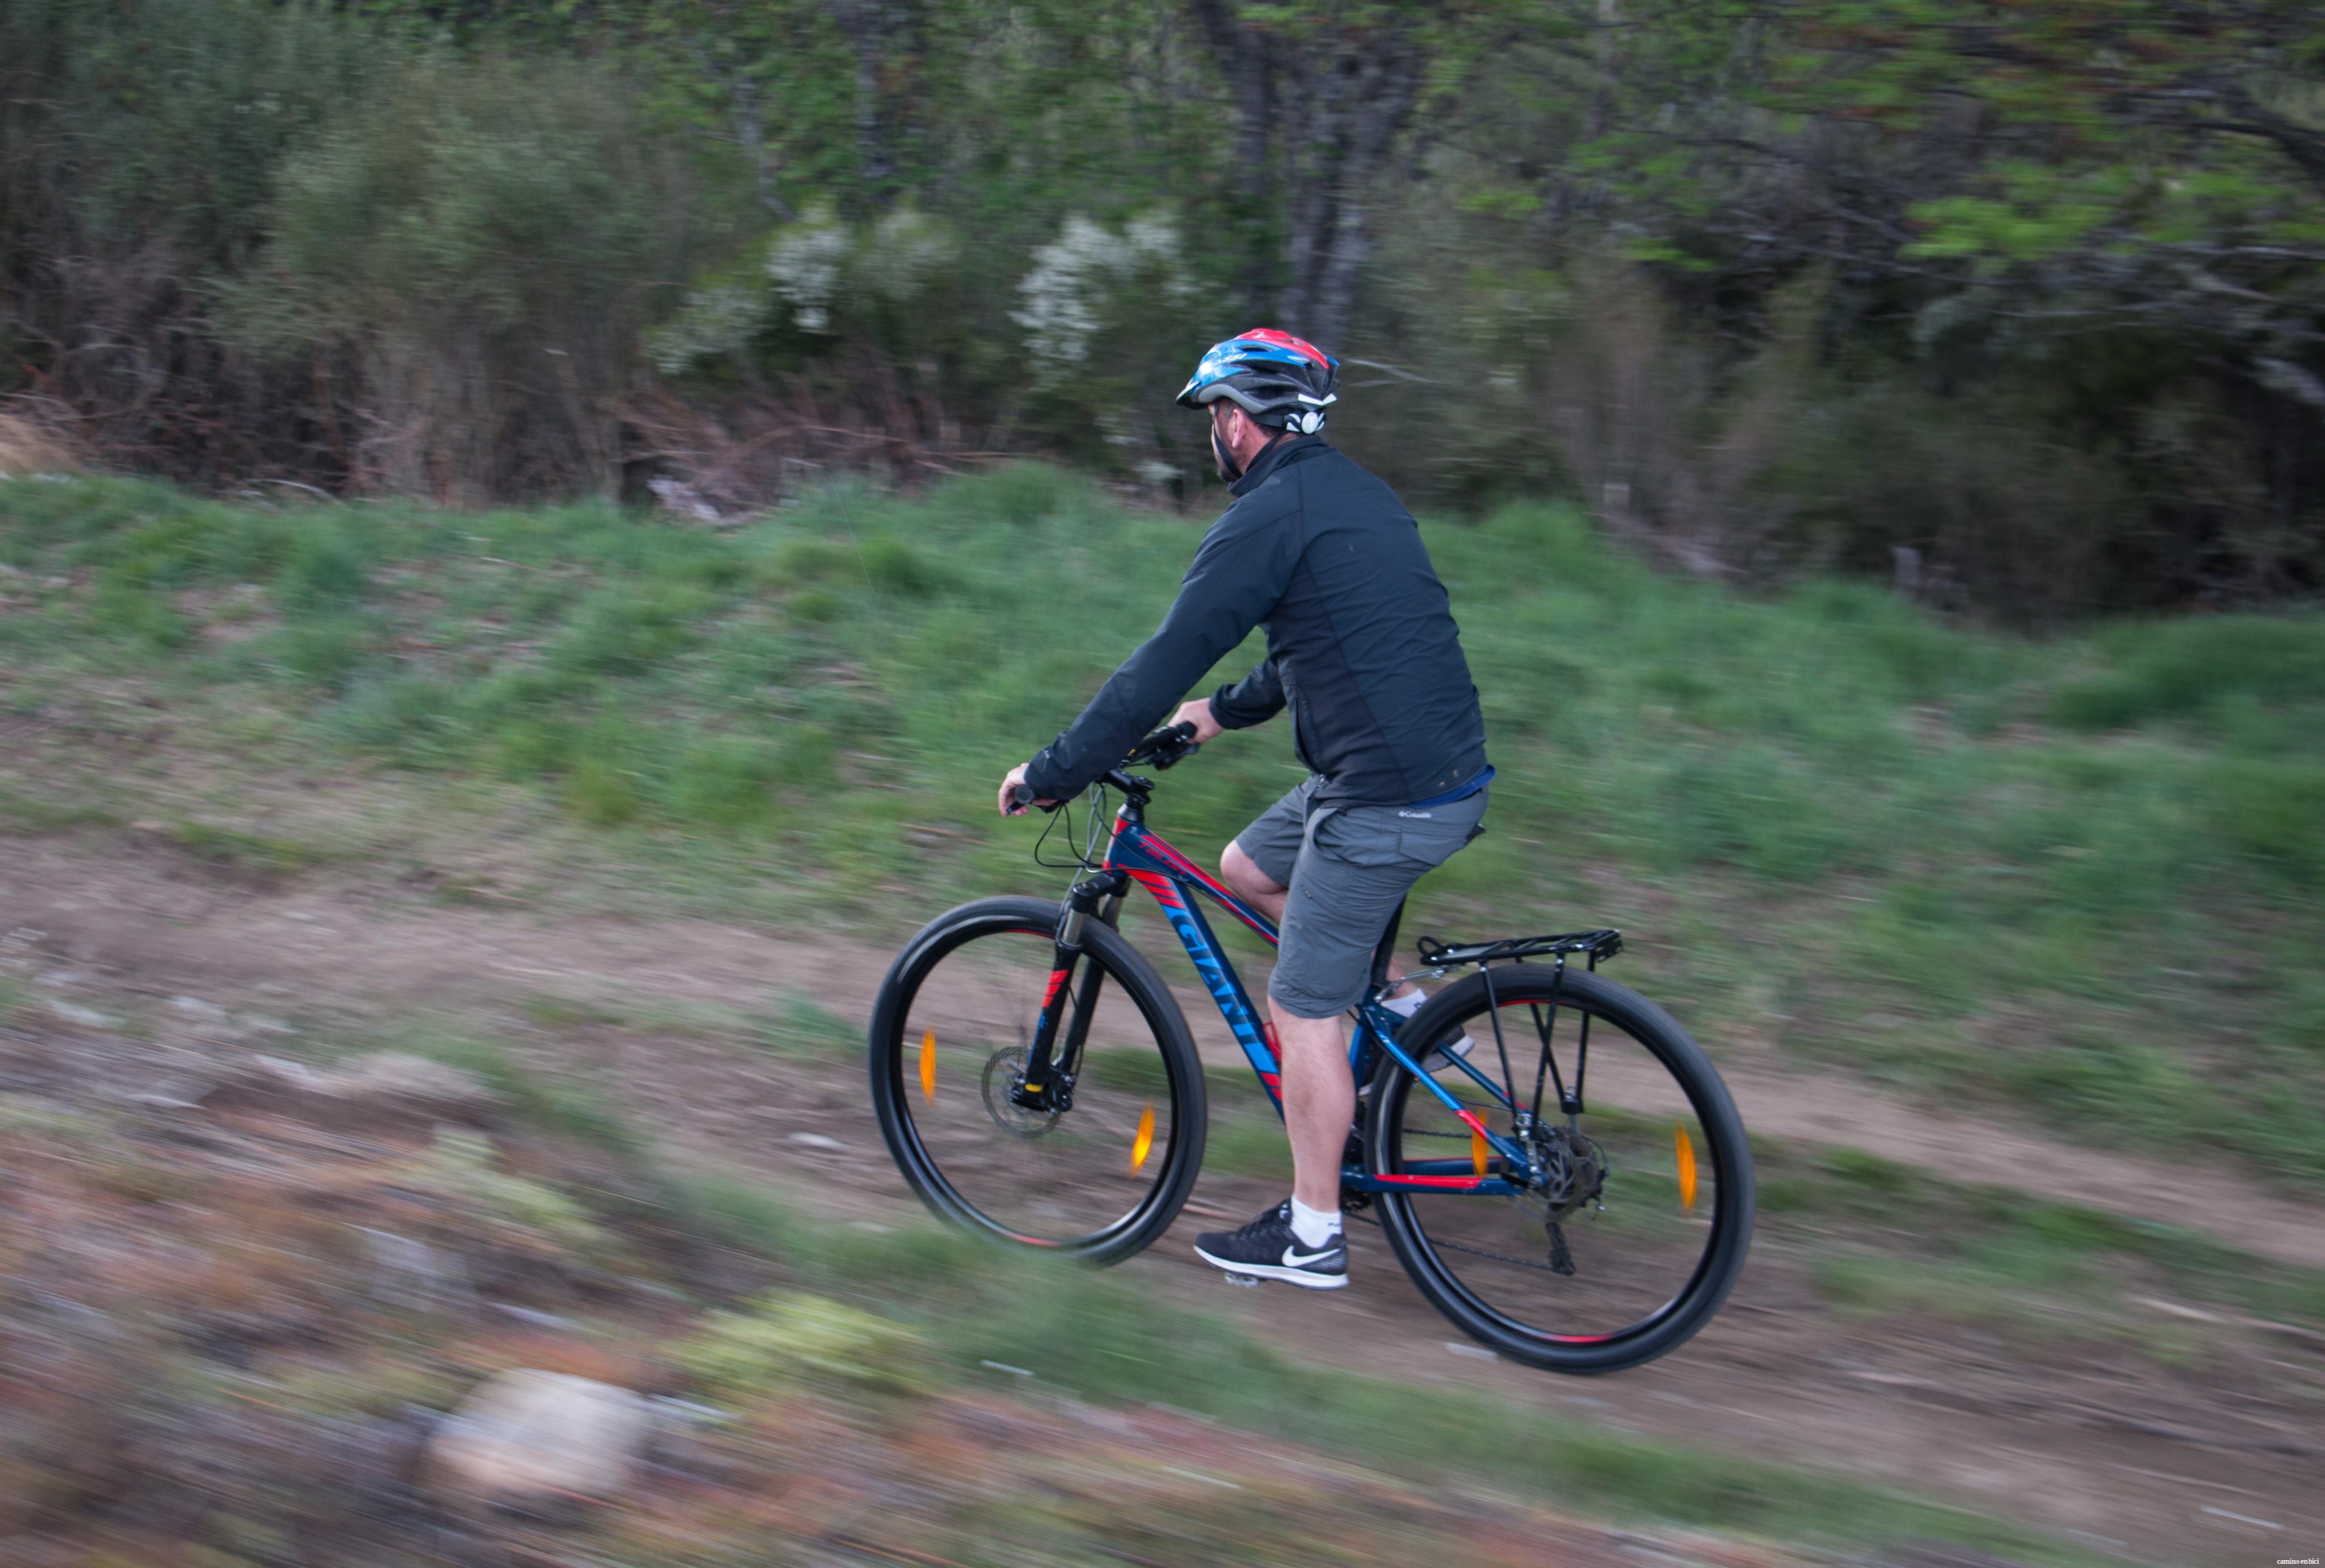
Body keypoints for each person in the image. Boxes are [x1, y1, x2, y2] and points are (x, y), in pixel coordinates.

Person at [996, 328, 1491, 1290]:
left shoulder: (1267, 515)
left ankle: (1311, 1235)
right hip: (1433, 771)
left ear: (1242, 418)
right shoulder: (1349, 492)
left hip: (1385, 796)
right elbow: (1322, 640)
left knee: (1300, 1009)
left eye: (1214, 415)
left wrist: (1057, 770)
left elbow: (1157, 664)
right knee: (1247, 870)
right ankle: (1404, 1016)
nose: (1210, 434)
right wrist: (1217, 717)